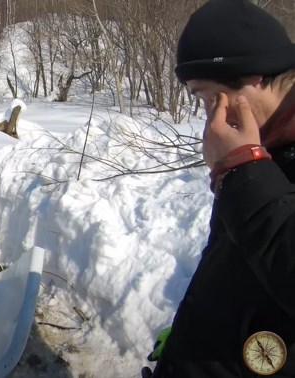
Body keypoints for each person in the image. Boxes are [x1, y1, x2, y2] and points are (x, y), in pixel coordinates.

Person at [142, 0, 295, 377]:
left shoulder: (255, 161)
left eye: (208, 96)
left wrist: (245, 170)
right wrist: (194, 336)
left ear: (253, 78)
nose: (211, 116)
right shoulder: (265, 146)